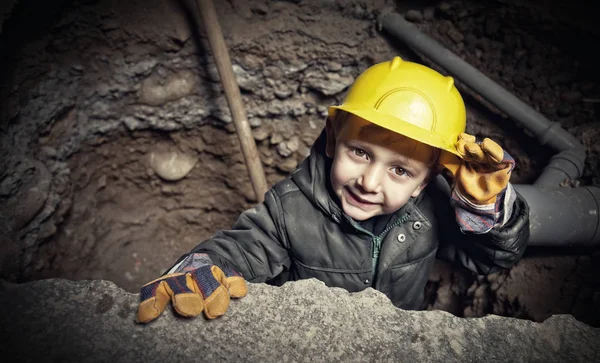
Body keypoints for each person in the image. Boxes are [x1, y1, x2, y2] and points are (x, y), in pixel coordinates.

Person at [136, 56, 530, 323]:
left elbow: (493, 258)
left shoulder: (429, 215)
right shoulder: (291, 209)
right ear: (332, 140)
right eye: (359, 152)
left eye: (399, 170)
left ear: (423, 183)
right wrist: (199, 269)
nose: (369, 182)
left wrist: (485, 209)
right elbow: (242, 247)